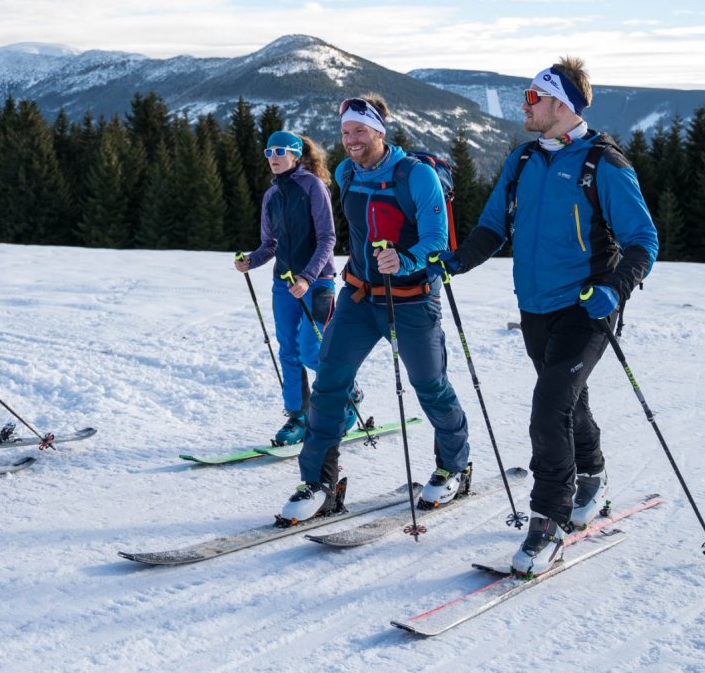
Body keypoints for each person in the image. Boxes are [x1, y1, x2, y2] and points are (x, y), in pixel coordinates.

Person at [429, 57, 658, 576]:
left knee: (548, 406)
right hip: (533, 308)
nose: (524, 105)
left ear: (561, 105)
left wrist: (614, 289)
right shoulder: (523, 161)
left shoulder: (605, 164)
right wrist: (459, 260)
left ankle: (548, 522)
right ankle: (593, 478)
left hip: (586, 308)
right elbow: (493, 227)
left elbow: (644, 241)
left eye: (534, 97)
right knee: (566, 402)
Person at [281, 94, 471, 522]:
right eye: (346, 132)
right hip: (359, 296)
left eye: (360, 131)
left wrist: (405, 259)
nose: (351, 140)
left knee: (430, 385)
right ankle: (319, 483)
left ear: (380, 132)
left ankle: (455, 466)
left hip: (412, 300)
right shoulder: (347, 172)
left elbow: (437, 239)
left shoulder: (416, 176)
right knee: (330, 381)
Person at [235, 131, 351, 446]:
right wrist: (251, 260)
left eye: (280, 150)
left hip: (318, 281)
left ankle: (347, 396)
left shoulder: (313, 187)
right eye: (268, 151)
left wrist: (307, 277)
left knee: (312, 349)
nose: (273, 156)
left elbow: (328, 238)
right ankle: (298, 417)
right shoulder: (271, 196)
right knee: (288, 350)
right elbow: (269, 244)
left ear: (296, 155)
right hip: (283, 283)